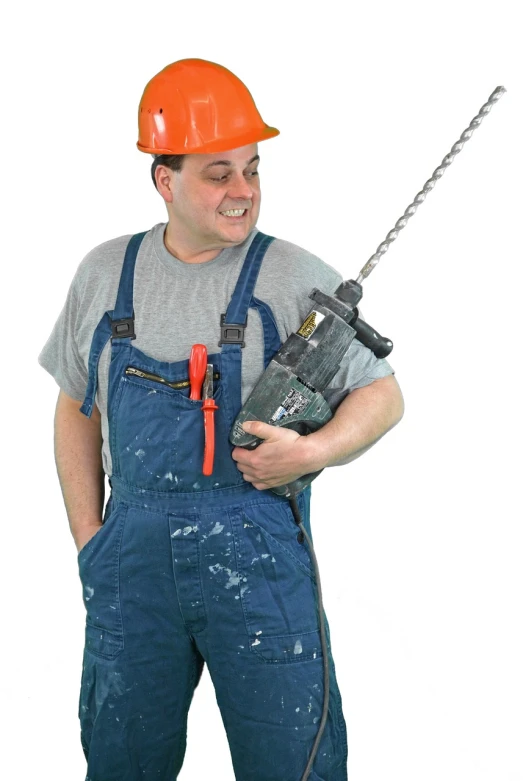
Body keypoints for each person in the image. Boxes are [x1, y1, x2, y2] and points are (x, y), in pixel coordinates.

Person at [38, 58, 404, 781]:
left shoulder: (292, 276)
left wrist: (313, 451)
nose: (243, 192)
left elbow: (382, 395)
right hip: (131, 566)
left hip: (257, 559)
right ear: (164, 179)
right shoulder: (104, 273)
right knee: (121, 763)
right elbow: (76, 408)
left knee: (289, 763)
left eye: (253, 169)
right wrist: (91, 539)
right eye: (217, 173)